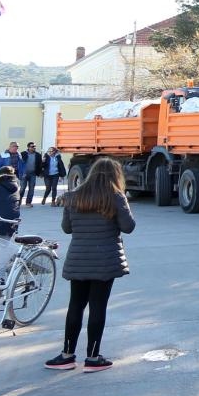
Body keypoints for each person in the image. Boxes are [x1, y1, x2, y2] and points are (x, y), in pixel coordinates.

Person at [47, 157, 133, 373]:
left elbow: (67, 228)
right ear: (115, 176)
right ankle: (93, 358)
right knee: (98, 306)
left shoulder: (73, 197)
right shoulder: (115, 197)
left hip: (78, 259)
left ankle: (67, 355)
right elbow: (128, 227)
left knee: (75, 305)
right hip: (105, 260)